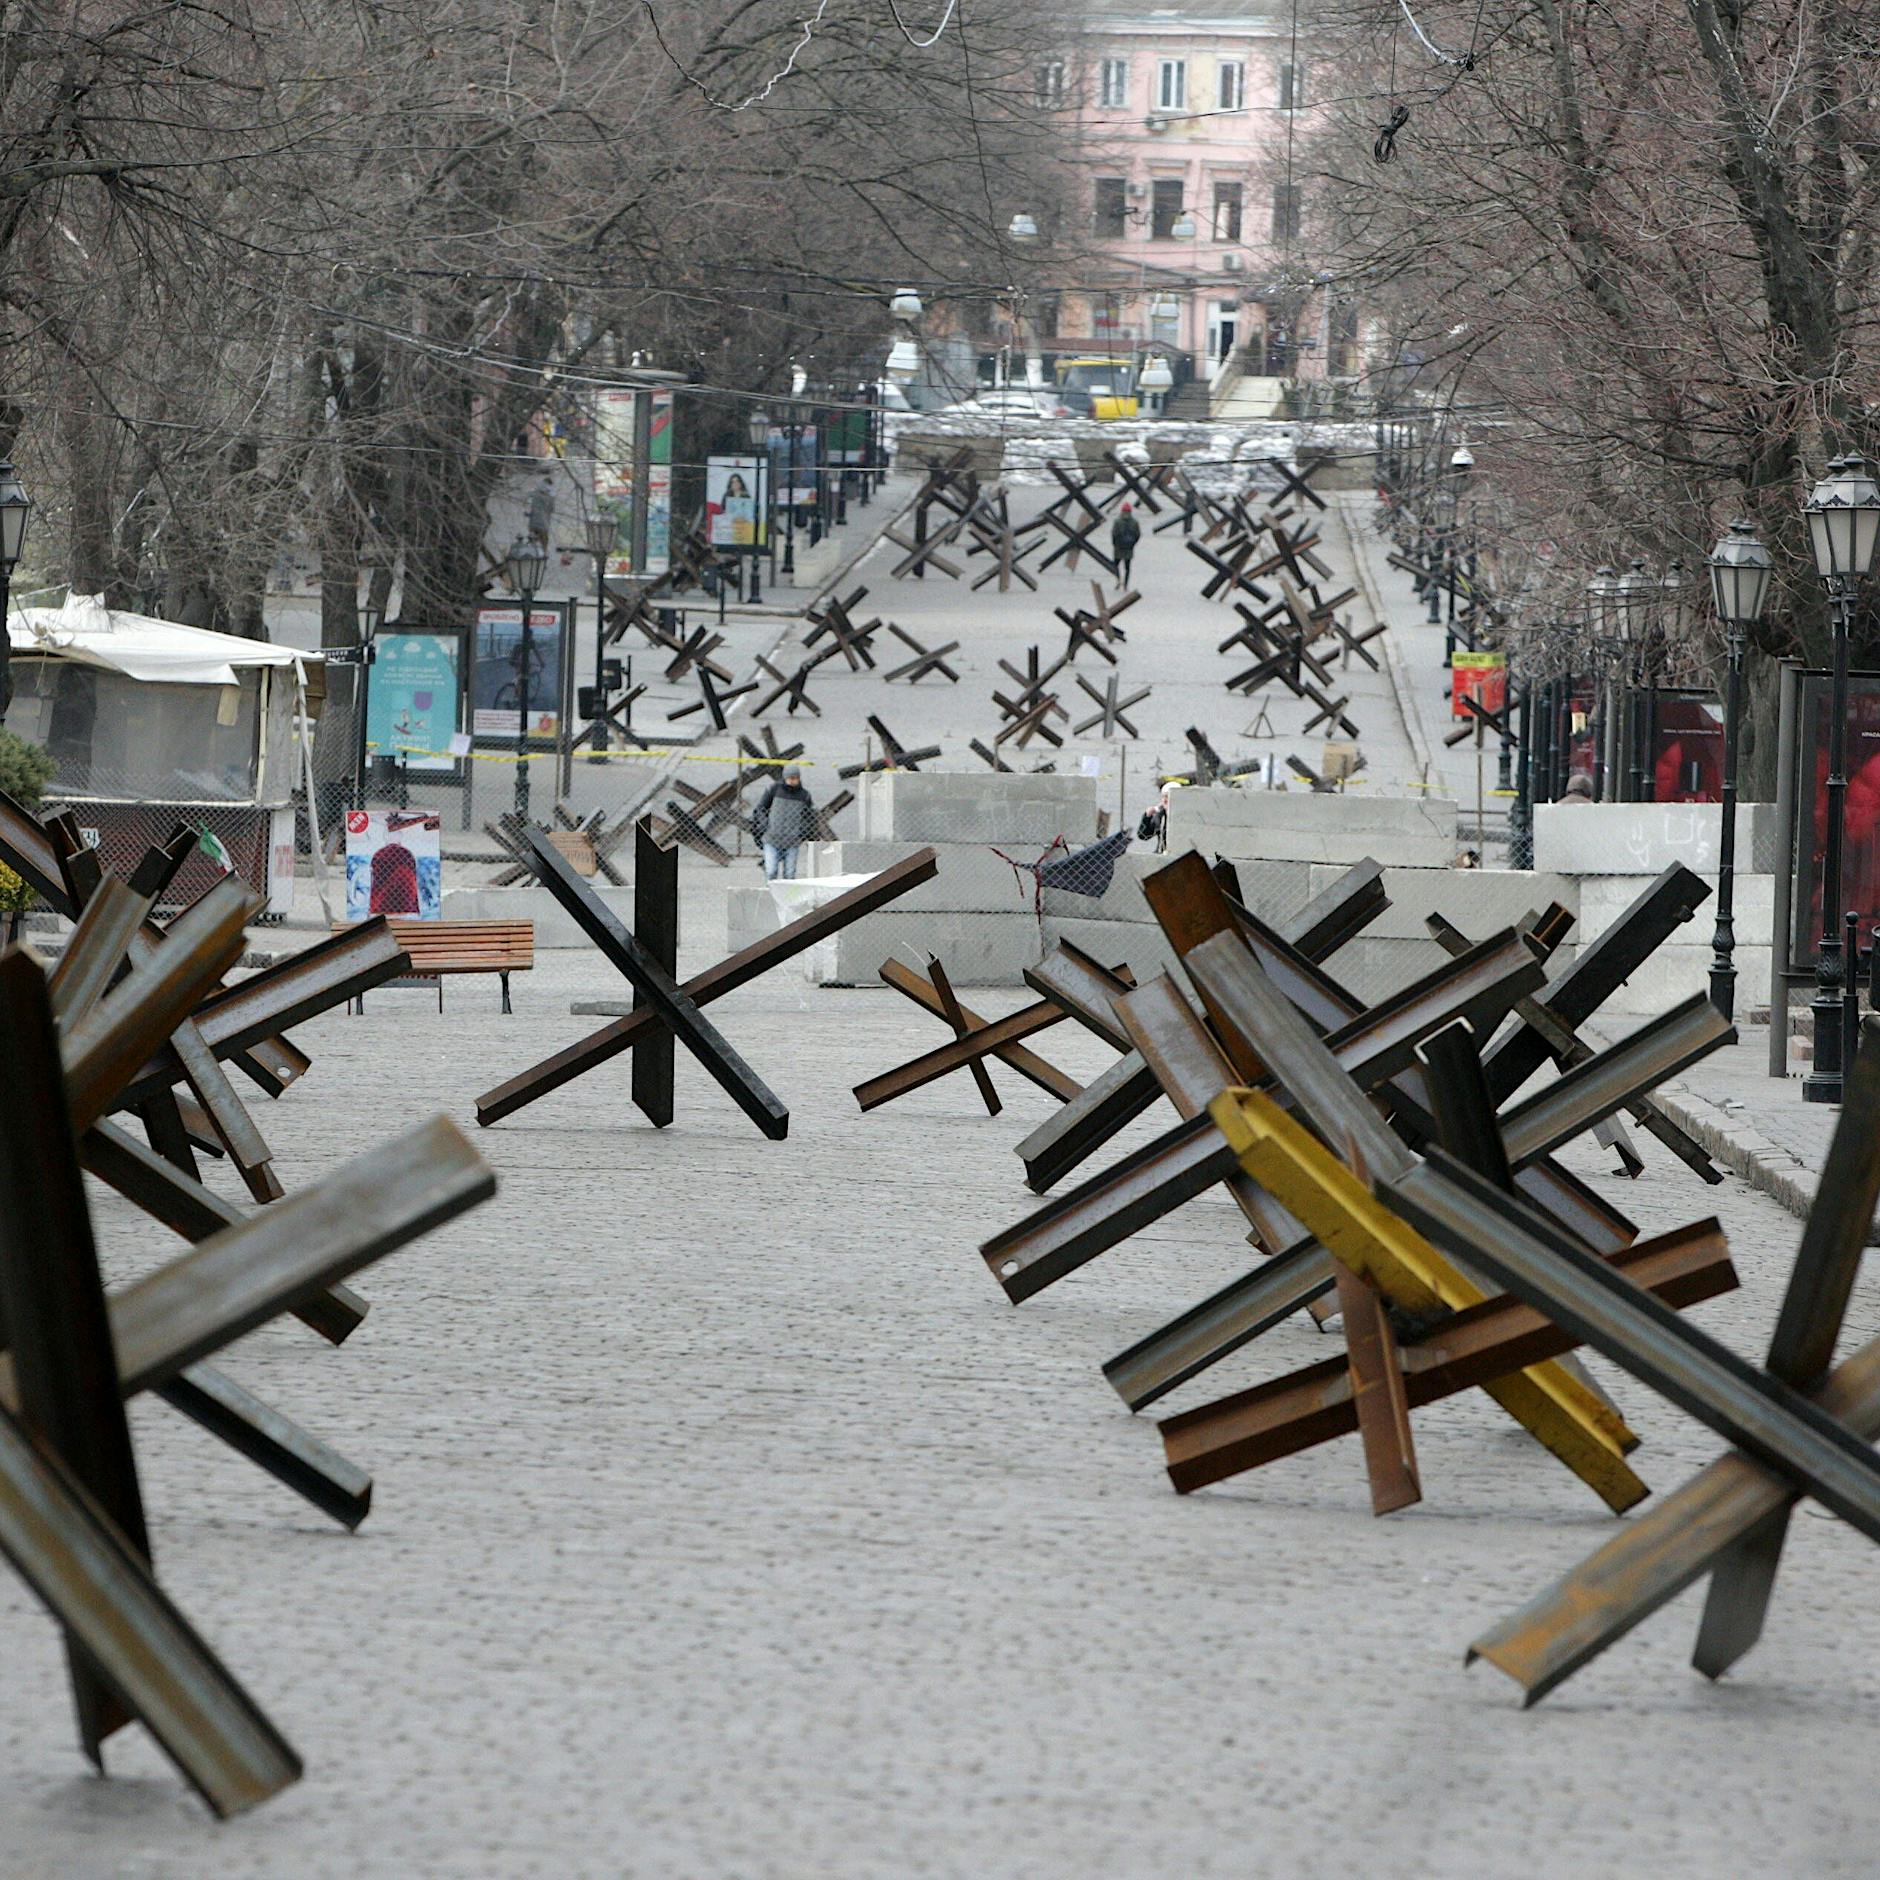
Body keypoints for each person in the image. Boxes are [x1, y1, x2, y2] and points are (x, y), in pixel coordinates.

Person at [752, 763, 815, 880]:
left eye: (795, 778)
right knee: (771, 871)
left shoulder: (804, 796)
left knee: (790, 874)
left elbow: (809, 817)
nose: (792, 781)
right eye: (790, 778)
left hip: (792, 840)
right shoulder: (774, 790)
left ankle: (786, 892)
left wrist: (802, 832)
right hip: (772, 838)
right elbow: (761, 809)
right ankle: (771, 890)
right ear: (784, 778)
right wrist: (765, 824)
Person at [1110, 501, 1141, 586]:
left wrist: (1114, 544)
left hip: (1118, 547)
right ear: (1130, 511)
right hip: (1129, 548)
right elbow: (1137, 535)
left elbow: (1114, 534)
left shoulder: (1117, 521)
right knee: (1127, 568)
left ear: (1122, 511)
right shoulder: (1135, 522)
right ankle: (1126, 584)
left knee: (1115, 565)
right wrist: (1133, 544)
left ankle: (1118, 580)